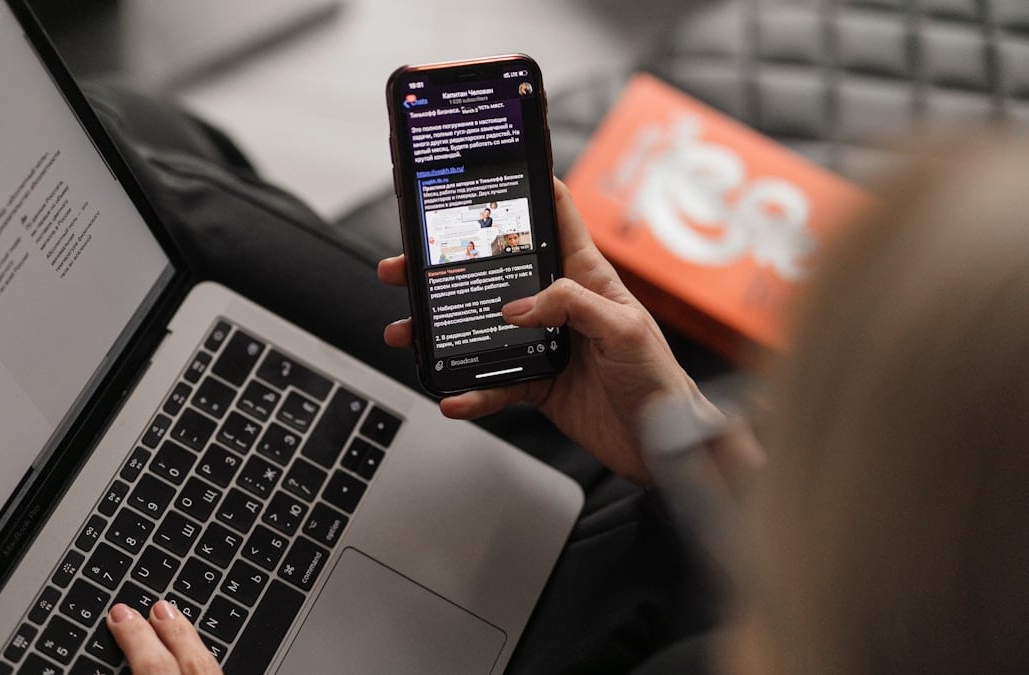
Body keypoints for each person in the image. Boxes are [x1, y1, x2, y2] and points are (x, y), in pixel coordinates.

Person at [104, 133, 1029, 673]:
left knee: (158, 178)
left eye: (809, 436)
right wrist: (698, 452)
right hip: (638, 532)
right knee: (157, 162)